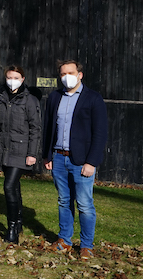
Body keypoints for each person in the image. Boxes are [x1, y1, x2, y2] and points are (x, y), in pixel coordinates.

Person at [43, 60, 107, 260]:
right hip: (58, 158)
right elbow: (48, 128)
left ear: (80, 74)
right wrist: (47, 155)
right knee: (63, 201)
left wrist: (92, 162)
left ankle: (87, 245)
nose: (66, 77)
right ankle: (64, 240)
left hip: (82, 161)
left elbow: (100, 133)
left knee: (85, 203)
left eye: (70, 72)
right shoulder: (54, 97)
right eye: (62, 74)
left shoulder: (93, 99)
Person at [0, 65, 41, 244]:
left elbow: (35, 129)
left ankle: (11, 229)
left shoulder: (30, 101)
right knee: (14, 187)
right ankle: (18, 222)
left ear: (22, 79)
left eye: (16, 77)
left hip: (21, 151)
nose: (12, 80)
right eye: (9, 77)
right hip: (4, 150)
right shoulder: (0, 99)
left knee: (8, 186)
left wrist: (32, 153)